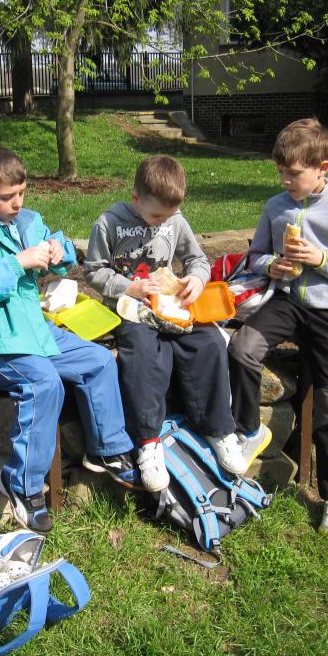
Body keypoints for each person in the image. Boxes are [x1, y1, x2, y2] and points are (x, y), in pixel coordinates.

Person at [0, 146, 139, 533]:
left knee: (98, 361)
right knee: (43, 384)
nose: (17, 203)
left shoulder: (26, 219)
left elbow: (62, 251)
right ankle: (22, 484)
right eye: (7, 197)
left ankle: (107, 449)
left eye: (22, 193)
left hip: (35, 330)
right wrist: (18, 262)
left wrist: (59, 251)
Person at [223, 118, 328, 533]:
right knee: (242, 347)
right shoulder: (276, 207)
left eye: (293, 173)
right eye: (281, 172)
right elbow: (254, 256)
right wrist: (272, 265)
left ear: (322, 168)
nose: (285, 180)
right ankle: (247, 431)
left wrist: (321, 259)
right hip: (288, 302)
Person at [84, 154, 236, 492]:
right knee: (143, 352)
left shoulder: (174, 219)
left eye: (168, 217)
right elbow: (93, 272)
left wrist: (197, 279)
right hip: (130, 309)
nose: (161, 223)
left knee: (210, 343)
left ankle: (218, 430)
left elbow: (198, 259)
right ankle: (148, 442)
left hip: (170, 309)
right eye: (156, 216)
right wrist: (130, 287)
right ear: (136, 198)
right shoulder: (109, 223)